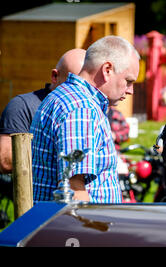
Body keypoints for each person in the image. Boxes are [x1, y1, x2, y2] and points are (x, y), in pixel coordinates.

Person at [30, 36, 140, 203]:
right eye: (128, 81)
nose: (130, 90)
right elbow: (74, 189)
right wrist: (88, 228)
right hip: (77, 226)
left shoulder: (65, 96)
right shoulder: (82, 108)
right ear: (107, 70)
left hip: (59, 224)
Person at [0, 48, 86, 174]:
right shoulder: (23, 105)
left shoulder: (86, 111)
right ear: (55, 76)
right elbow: (6, 161)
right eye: (72, 83)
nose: (79, 91)